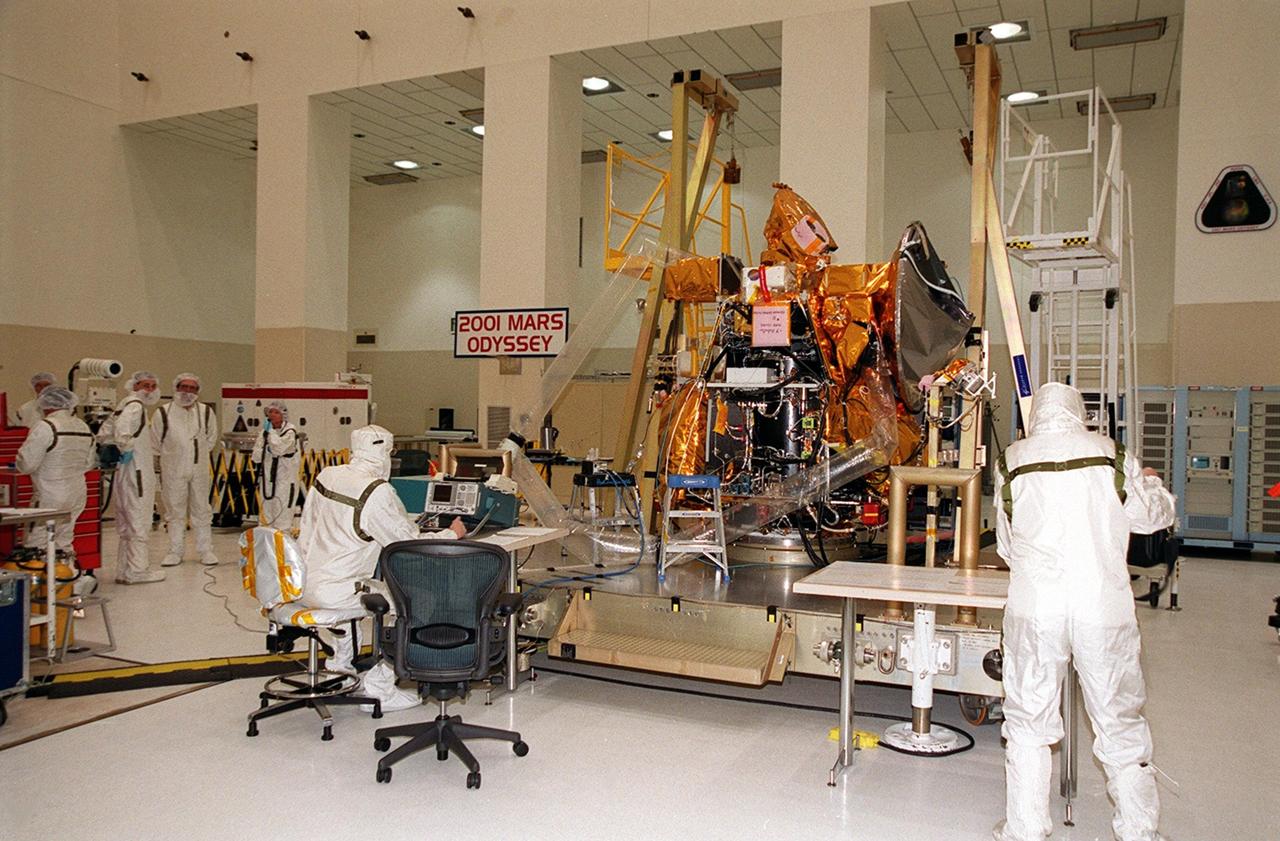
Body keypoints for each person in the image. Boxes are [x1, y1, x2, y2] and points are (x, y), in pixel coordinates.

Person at [992, 383, 1176, 841]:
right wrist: (1151, 483)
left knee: (1028, 720)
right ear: (1080, 415)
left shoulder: (1011, 461)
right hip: (1102, 607)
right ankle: (1138, 830)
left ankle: (1026, 828)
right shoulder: (1112, 456)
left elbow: (1007, 546)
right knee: (1118, 719)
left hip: (1036, 609)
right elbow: (1152, 518)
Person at [297, 424, 464, 711]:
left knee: (365, 590)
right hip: (336, 590)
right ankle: (380, 685)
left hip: (298, 581)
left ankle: (339, 670)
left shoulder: (327, 475)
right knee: (417, 600)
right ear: (385, 453)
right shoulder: (376, 491)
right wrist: (452, 534)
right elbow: (408, 544)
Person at [16, 386, 98, 594]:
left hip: (50, 494)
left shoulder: (45, 426)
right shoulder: (82, 426)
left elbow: (27, 464)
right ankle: (69, 583)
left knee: (37, 542)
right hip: (77, 492)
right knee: (64, 539)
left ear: (44, 404)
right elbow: (89, 462)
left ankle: (35, 593)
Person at [102, 371, 164, 584]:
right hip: (136, 470)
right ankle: (138, 570)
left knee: (128, 522)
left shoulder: (122, 406)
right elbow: (121, 433)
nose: (149, 390)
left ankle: (125, 570)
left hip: (126, 469)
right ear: (133, 385)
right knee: (139, 518)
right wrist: (126, 448)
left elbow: (103, 434)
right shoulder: (135, 406)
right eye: (144, 385)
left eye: (152, 386)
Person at [153, 373, 219, 567]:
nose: (188, 392)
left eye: (192, 388)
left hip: (199, 469)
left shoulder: (206, 412)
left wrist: (196, 454)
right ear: (176, 388)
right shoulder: (163, 413)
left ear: (198, 391)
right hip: (172, 469)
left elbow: (211, 439)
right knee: (174, 512)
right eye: (184, 387)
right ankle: (175, 551)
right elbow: (155, 443)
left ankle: (205, 550)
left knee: (202, 510)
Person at [250, 401, 301, 530]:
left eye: (276, 412)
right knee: (266, 517)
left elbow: (279, 449)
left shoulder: (290, 432)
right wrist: (266, 446)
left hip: (285, 481)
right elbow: (256, 457)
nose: (272, 415)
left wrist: (270, 434)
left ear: (283, 415)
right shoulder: (264, 433)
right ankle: (267, 547)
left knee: (282, 515)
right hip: (268, 480)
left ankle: (282, 547)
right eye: (270, 412)